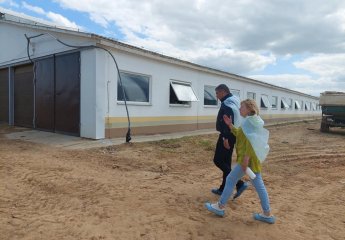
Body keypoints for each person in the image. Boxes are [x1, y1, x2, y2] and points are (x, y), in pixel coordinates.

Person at [205, 99, 276, 224]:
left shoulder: (250, 122)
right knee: (258, 185)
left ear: (249, 108)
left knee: (232, 179)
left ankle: (220, 206)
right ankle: (267, 214)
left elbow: (250, 142)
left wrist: (245, 159)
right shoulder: (251, 120)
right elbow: (241, 134)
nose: (239, 109)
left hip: (248, 160)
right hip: (251, 160)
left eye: (241, 107)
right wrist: (230, 125)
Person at [211, 84, 248, 199]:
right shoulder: (234, 100)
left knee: (218, 160)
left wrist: (225, 137)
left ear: (223, 92)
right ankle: (223, 188)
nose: (216, 96)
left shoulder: (227, 103)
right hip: (233, 134)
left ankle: (239, 183)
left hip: (227, 135)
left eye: (217, 93)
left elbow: (229, 119)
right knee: (226, 162)